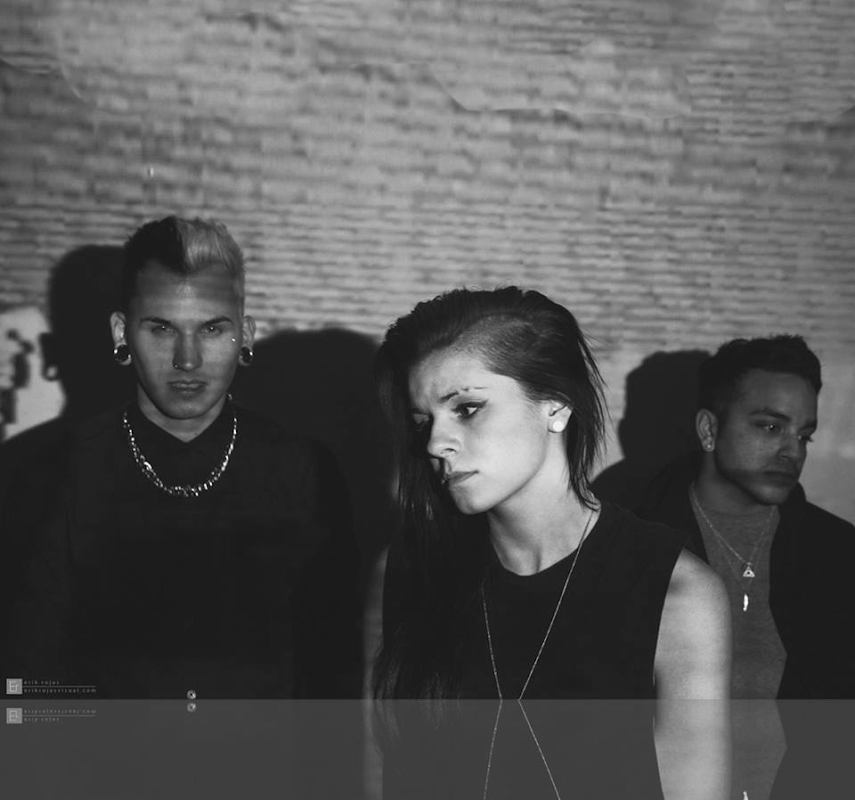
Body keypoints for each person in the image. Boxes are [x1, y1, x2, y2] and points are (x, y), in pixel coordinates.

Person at [371, 287, 730, 800]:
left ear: (556, 406)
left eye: (467, 409)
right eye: (422, 421)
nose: (434, 443)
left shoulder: (675, 592)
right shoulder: (418, 569)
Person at [6, 216, 361, 699]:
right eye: (162, 328)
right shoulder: (44, 475)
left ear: (246, 335)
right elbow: (23, 697)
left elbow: (332, 689)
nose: (187, 359)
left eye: (212, 328)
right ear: (121, 333)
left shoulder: (306, 473)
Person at [637, 335, 855, 700]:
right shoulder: (633, 546)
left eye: (805, 435)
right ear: (709, 430)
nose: (793, 451)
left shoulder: (838, 551)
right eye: (771, 427)